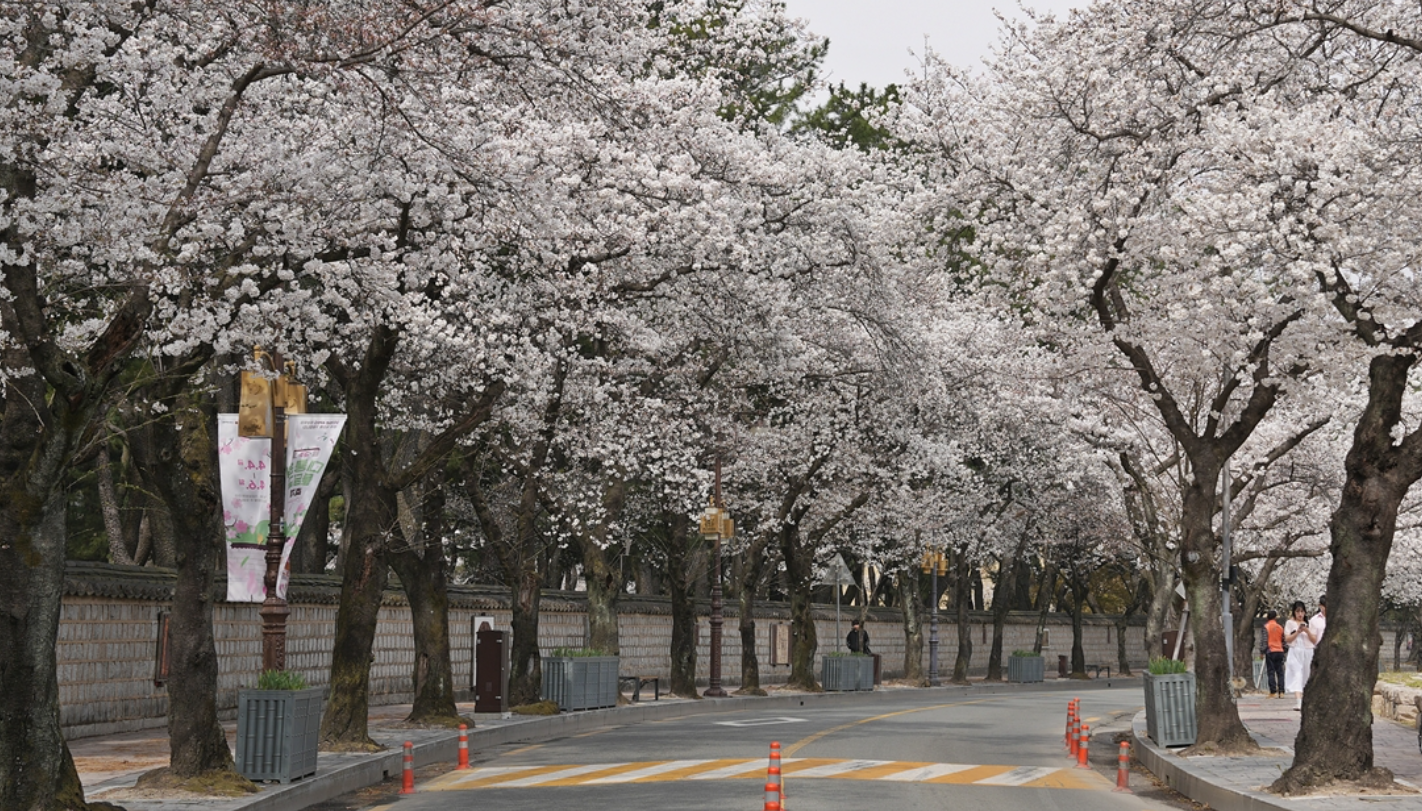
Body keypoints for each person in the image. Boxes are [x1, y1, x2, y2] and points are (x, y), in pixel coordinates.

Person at [1283, 599, 1319, 710]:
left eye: (1302, 611)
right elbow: (1287, 639)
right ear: (1294, 612)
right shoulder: (1290, 623)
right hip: (1295, 651)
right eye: (1298, 611)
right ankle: (1298, 702)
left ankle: (1306, 701)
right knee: (1297, 675)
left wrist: (1307, 631)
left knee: (1306, 676)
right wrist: (1298, 632)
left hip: (1307, 652)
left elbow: (1314, 640)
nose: (1300, 614)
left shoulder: (1309, 624)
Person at [1263, 610, 1286, 698]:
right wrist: (1284, 650)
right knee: (1280, 672)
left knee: (1271, 672)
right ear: (1275, 617)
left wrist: (1262, 651)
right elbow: (1284, 640)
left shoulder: (1266, 627)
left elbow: (1264, 641)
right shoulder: (1280, 627)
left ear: (1267, 617)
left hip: (1270, 651)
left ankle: (1273, 692)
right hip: (1279, 651)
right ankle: (1281, 692)